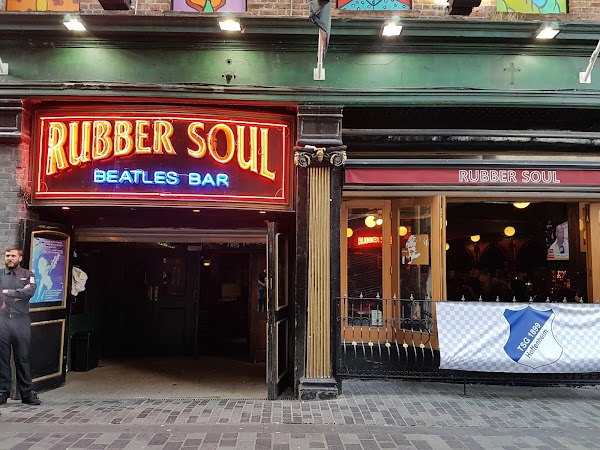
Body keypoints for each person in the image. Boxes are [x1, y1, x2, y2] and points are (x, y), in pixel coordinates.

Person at [0, 246, 41, 406]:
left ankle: (27, 394)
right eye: (7, 256)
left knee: (22, 358)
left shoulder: (28, 275)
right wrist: (17, 294)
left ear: (20, 258)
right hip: (2, 321)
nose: (9, 258)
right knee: (2, 359)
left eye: (13, 256)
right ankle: (3, 393)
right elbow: (21, 294)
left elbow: (29, 292)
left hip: (21, 321)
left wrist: (6, 293)